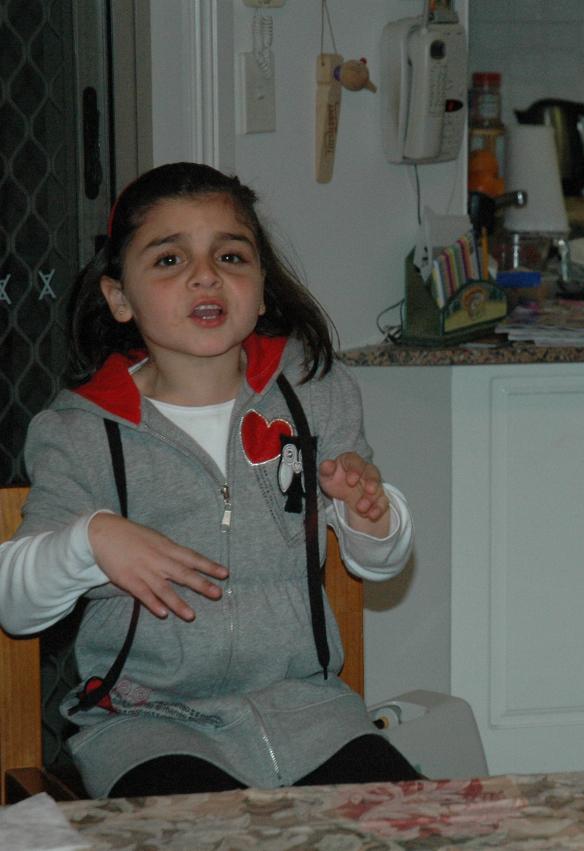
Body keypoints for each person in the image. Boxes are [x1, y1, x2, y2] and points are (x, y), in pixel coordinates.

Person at [0, 162, 420, 798]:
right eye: (169, 260)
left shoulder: (314, 393)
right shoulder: (81, 433)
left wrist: (374, 519)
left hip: (315, 718)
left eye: (230, 255)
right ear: (119, 297)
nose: (206, 275)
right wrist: (93, 541)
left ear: (260, 285)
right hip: (146, 727)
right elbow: (15, 605)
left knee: (417, 829)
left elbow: (381, 563)